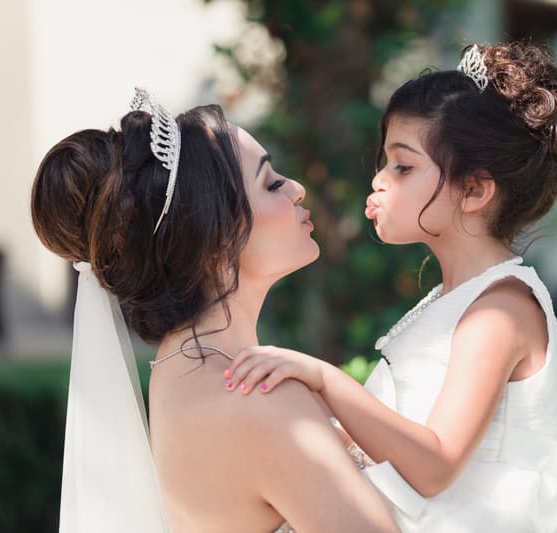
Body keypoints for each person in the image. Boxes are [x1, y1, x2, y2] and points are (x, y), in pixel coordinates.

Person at [224, 42, 557, 532]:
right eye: (385, 163)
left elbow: (434, 465)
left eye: (402, 166)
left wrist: (324, 379)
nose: (379, 180)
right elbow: (403, 449)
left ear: (474, 190)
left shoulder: (499, 311)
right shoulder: (451, 300)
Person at [30, 88, 398, 533]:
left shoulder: (178, 370)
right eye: (271, 183)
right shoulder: (262, 400)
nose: (297, 189)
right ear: (215, 238)